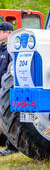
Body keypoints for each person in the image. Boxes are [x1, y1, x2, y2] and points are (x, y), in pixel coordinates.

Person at [0, 22, 18, 156]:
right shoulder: (1, 48)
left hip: (8, 91)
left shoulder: (12, 50)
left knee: (9, 117)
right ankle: (4, 141)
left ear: (8, 32)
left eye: (0, 31)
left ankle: (12, 146)